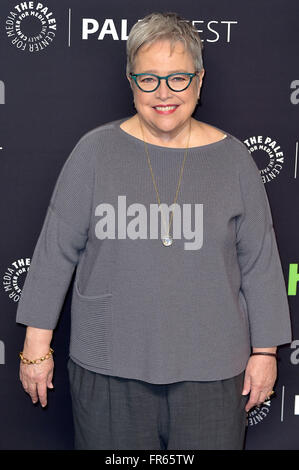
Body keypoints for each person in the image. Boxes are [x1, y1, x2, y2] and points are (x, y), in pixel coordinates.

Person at [16, 12, 292, 450]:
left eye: (179, 78)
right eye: (149, 79)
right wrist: (35, 349)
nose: (164, 93)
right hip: (107, 371)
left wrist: (265, 353)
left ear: (200, 81)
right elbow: (55, 255)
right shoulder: (94, 152)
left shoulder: (235, 161)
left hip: (213, 376)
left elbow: (259, 264)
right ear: (131, 81)